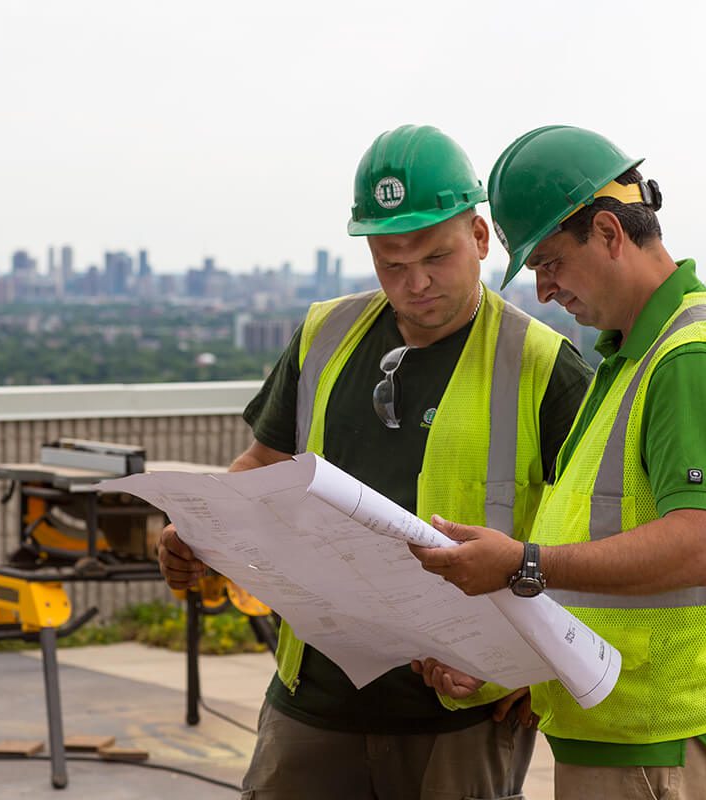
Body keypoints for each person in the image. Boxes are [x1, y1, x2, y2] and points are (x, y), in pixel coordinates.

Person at [159, 124, 593, 800]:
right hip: (316, 698)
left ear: (480, 239)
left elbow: (594, 535)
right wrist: (203, 529)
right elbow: (263, 463)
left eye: (436, 256)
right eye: (391, 262)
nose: (415, 283)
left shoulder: (542, 367)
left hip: (462, 714)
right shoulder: (323, 335)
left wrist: (544, 666)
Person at [410, 125, 706, 800]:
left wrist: (521, 563)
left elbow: (696, 546)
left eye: (549, 263)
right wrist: (504, 664)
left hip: (660, 747)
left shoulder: (692, 360)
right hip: (624, 741)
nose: (545, 292)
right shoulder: (631, 359)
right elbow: (598, 571)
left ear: (609, 233)